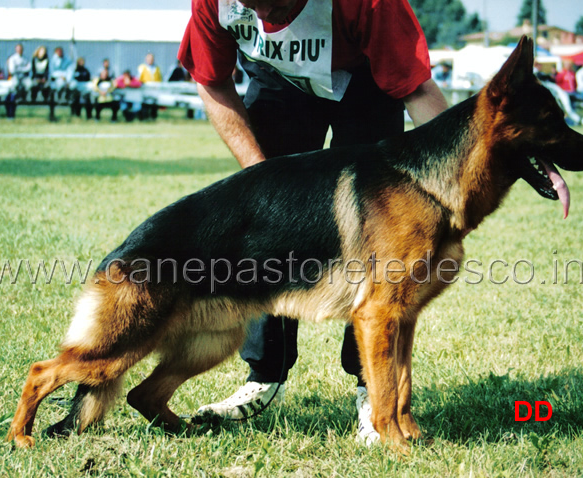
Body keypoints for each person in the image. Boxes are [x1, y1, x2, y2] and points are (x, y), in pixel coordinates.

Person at [178, 0, 448, 445]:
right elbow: (211, 80)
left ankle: (371, 389)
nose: (266, 12)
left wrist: (449, 182)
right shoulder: (214, 2)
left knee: (374, 237)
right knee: (267, 222)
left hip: (365, 81)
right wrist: (261, 178)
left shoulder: (371, 5)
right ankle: (266, 375)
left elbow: (416, 90)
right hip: (278, 81)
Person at [30, 45, 57, 121]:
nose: (42, 53)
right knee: (34, 85)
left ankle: (46, 98)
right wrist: (36, 78)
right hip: (36, 78)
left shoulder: (47, 60)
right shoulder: (34, 60)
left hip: (44, 79)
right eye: (41, 51)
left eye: (44, 52)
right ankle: (33, 99)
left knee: (47, 86)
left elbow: (47, 71)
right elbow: (33, 71)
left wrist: (44, 79)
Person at [5, 43, 31, 119]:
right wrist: (23, 69)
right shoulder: (12, 58)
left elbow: (28, 68)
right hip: (14, 78)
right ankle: (10, 114)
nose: (19, 50)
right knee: (14, 88)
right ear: (16, 49)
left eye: (21, 49)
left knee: (29, 84)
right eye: (18, 49)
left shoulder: (25, 58)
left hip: (23, 78)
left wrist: (19, 69)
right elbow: (12, 70)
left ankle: (22, 97)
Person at [137, 53, 162, 119]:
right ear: (146, 59)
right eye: (149, 59)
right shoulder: (142, 67)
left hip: (155, 89)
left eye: (151, 59)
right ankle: (144, 117)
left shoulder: (157, 68)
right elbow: (139, 78)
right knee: (145, 105)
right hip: (145, 89)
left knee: (154, 104)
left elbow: (159, 78)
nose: (150, 60)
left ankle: (153, 118)